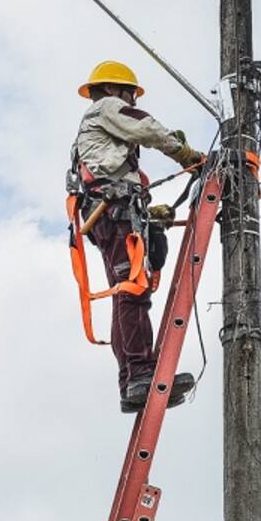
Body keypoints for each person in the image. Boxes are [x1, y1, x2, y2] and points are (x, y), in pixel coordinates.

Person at [70, 60, 205, 412]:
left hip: (109, 212)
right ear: (115, 90)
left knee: (125, 293)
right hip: (112, 211)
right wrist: (185, 155)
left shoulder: (97, 133)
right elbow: (146, 127)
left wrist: (150, 214)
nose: (129, 101)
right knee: (132, 291)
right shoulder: (106, 107)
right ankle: (140, 375)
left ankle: (131, 381)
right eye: (128, 94)